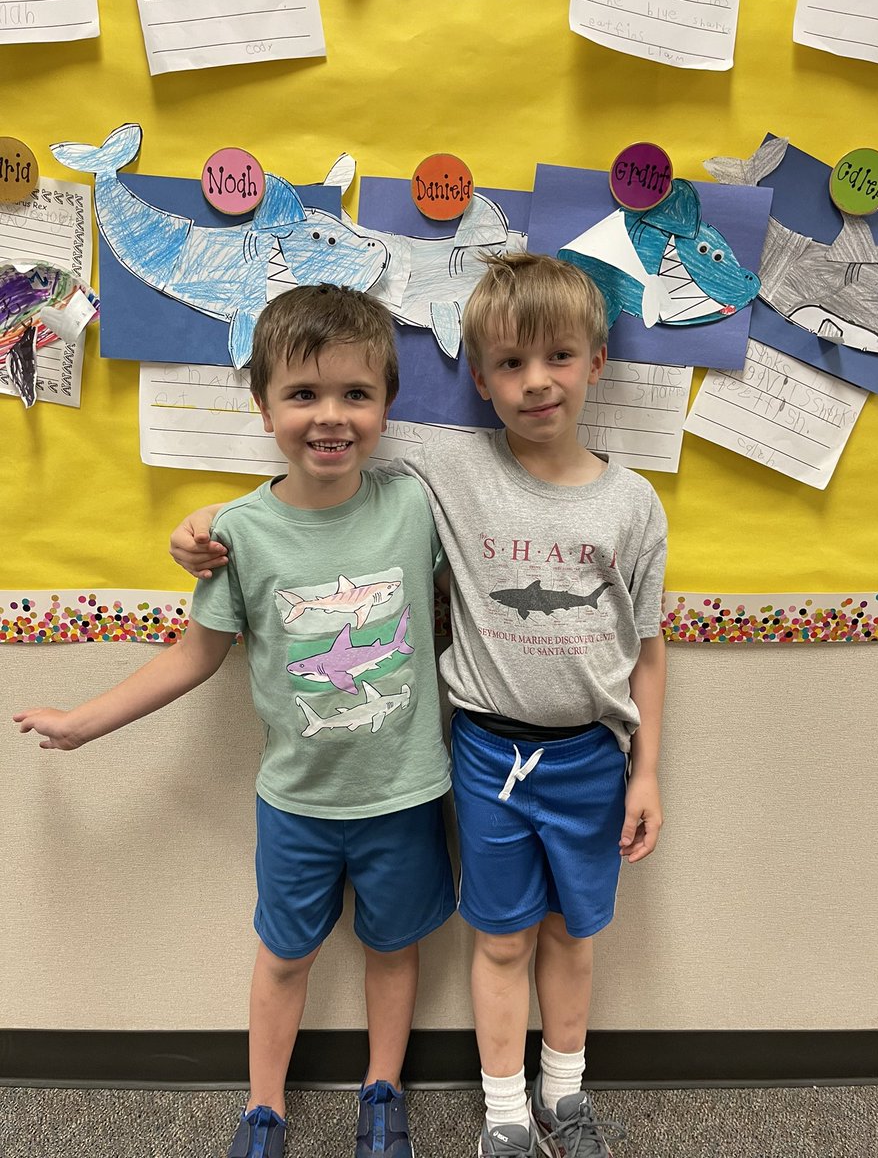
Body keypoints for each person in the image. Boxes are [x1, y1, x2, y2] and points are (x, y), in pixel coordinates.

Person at [170, 254, 667, 1158]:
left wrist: (647, 772)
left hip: (593, 755)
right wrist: (205, 521)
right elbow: (323, 468)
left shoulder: (635, 504)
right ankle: (505, 1115)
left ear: (598, 362)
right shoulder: (444, 468)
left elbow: (649, 644)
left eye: (559, 356)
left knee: (574, 933)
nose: (536, 381)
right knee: (502, 938)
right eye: (510, 363)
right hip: (483, 754)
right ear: (478, 378)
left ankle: (566, 1097)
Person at [14, 284, 455, 1158]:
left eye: (356, 394)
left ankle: (383, 1092)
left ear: (386, 404)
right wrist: (82, 722)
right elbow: (193, 657)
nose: (330, 416)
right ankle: (264, 1109)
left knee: (394, 948)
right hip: (295, 803)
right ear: (262, 406)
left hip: (404, 794)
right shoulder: (239, 535)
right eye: (303, 394)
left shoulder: (415, 506)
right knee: (283, 957)